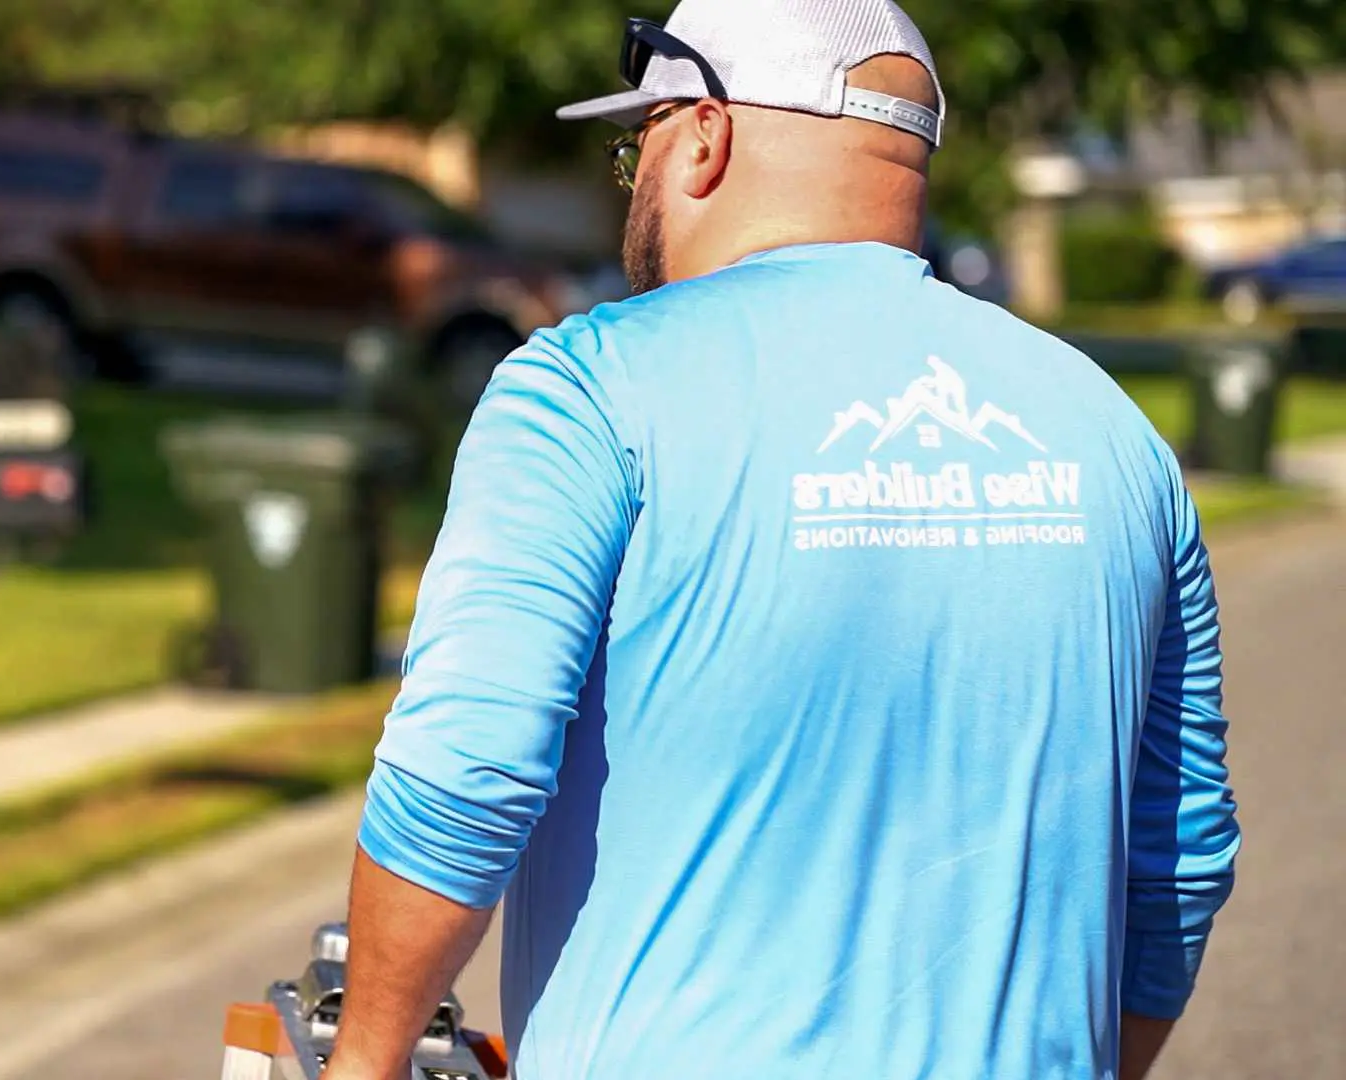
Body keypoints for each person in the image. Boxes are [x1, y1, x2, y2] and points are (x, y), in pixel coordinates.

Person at [321, 2, 1240, 1078]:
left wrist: (364, 1061)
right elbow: (1180, 859)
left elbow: (463, 776)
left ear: (704, 135)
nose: (637, 179)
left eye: (640, 144)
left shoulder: (589, 394)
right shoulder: (1111, 431)